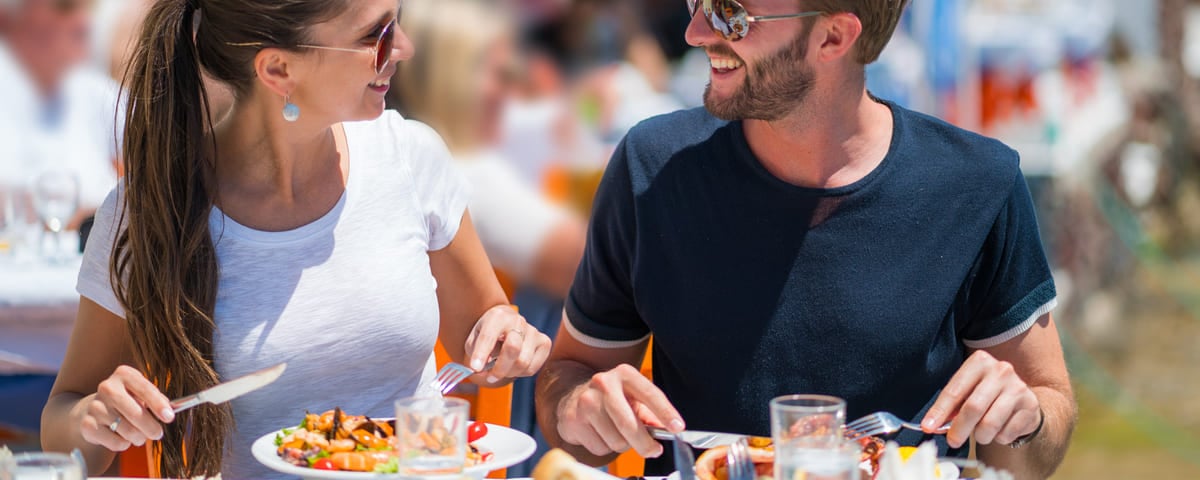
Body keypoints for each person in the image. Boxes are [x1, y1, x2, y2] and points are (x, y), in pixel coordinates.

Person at [534, 1, 1076, 479]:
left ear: (834, 37)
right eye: (697, 1)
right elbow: (568, 379)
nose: (695, 32)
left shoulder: (978, 182)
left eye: (730, 13)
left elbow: (1043, 429)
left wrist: (1023, 421)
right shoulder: (651, 166)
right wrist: (579, 406)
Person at [39, 0, 552, 478]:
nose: (403, 49)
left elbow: (486, 332)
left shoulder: (411, 157)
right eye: (377, 34)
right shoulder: (152, 208)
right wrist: (95, 418)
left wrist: (506, 336)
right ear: (278, 71)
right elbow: (64, 422)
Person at [389, 0, 585, 300]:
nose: (511, 89)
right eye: (502, 74)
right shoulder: (469, 175)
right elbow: (587, 264)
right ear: (454, 79)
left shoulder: (406, 162)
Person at [0, 0, 122, 221]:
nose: (81, 19)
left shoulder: (91, 89)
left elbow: (160, 138)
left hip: (100, 245)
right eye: (64, 7)